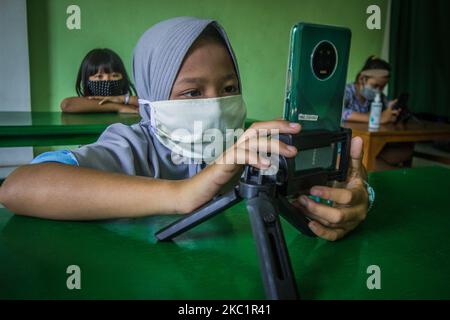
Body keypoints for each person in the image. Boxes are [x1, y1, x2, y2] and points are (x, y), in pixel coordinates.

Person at [0, 17, 370, 241]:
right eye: (192, 92)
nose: (214, 103)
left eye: (228, 89)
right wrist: (183, 193)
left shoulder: (251, 144)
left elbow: (325, 185)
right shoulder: (131, 146)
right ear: (151, 98)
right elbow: (18, 187)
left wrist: (356, 194)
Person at [342, 56, 414, 170]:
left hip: (370, 144)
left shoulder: (379, 96)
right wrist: (378, 118)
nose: (378, 91)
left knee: (406, 151)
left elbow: (387, 110)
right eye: (375, 86)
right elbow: (341, 112)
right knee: (382, 163)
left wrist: (392, 111)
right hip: (349, 145)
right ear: (362, 79)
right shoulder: (346, 91)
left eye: (382, 87)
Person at [60, 48, 139, 114]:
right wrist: (119, 107)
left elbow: (148, 103)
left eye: (114, 75)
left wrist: (123, 99)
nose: (107, 80)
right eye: (99, 76)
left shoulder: (131, 103)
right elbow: (66, 104)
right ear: (87, 80)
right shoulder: (82, 104)